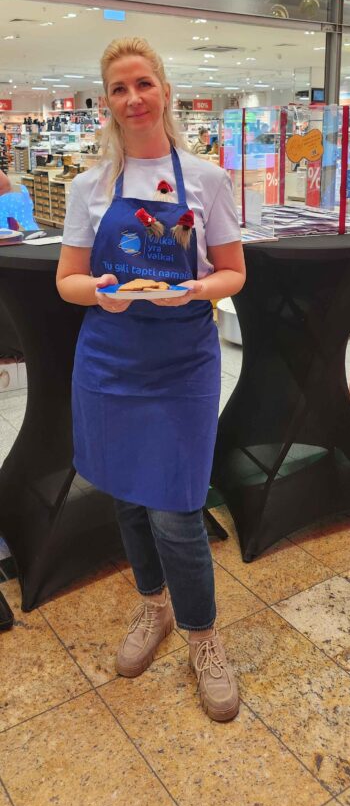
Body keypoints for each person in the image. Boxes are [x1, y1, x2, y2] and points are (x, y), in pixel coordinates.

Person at [56, 37, 246, 723]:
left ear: (164, 90)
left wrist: (195, 289)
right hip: (110, 358)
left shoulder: (206, 179)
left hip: (182, 359)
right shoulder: (88, 186)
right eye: (118, 88)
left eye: (143, 83)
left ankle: (203, 636)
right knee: (130, 496)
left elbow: (234, 272)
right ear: (106, 102)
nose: (132, 98)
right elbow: (68, 280)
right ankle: (152, 606)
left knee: (178, 506)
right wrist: (101, 292)